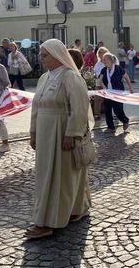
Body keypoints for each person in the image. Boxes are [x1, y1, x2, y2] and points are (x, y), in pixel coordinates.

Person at [28, 39, 92, 239]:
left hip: (62, 132)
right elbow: (36, 107)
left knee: (62, 176)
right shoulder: (44, 78)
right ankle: (77, 208)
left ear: (57, 55)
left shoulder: (71, 77)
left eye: (45, 55)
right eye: (41, 54)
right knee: (50, 174)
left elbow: (79, 108)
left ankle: (48, 221)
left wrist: (71, 134)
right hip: (46, 133)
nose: (41, 58)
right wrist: (33, 132)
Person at [97, 52, 134, 132]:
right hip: (108, 93)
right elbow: (100, 80)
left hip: (118, 93)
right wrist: (104, 88)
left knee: (118, 110)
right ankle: (111, 127)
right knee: (108, 110)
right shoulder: (104, 70)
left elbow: (127, 78)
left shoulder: (118, 68)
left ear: (111, 60)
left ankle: (125, 120)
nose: (104, 61)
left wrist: (130, 88)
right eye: (103, 60)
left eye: (106, 59)